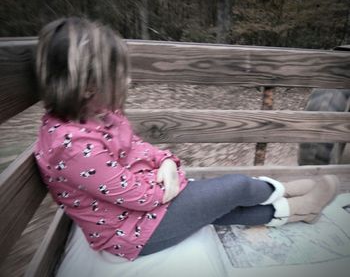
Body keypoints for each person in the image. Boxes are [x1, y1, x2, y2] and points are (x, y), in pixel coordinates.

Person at [34, 17, 339, 262]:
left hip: (150, 207)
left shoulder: (100, 113)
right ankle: (287, 193)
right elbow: (137, 196)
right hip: (133, 232)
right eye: (119, 75)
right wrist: (171, 178)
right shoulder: (72, 147)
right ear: (88, 86)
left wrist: (165, 160)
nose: (127, 81)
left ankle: (299, 209)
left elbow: (138, 147)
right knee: (234, 188)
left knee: (223, 207)